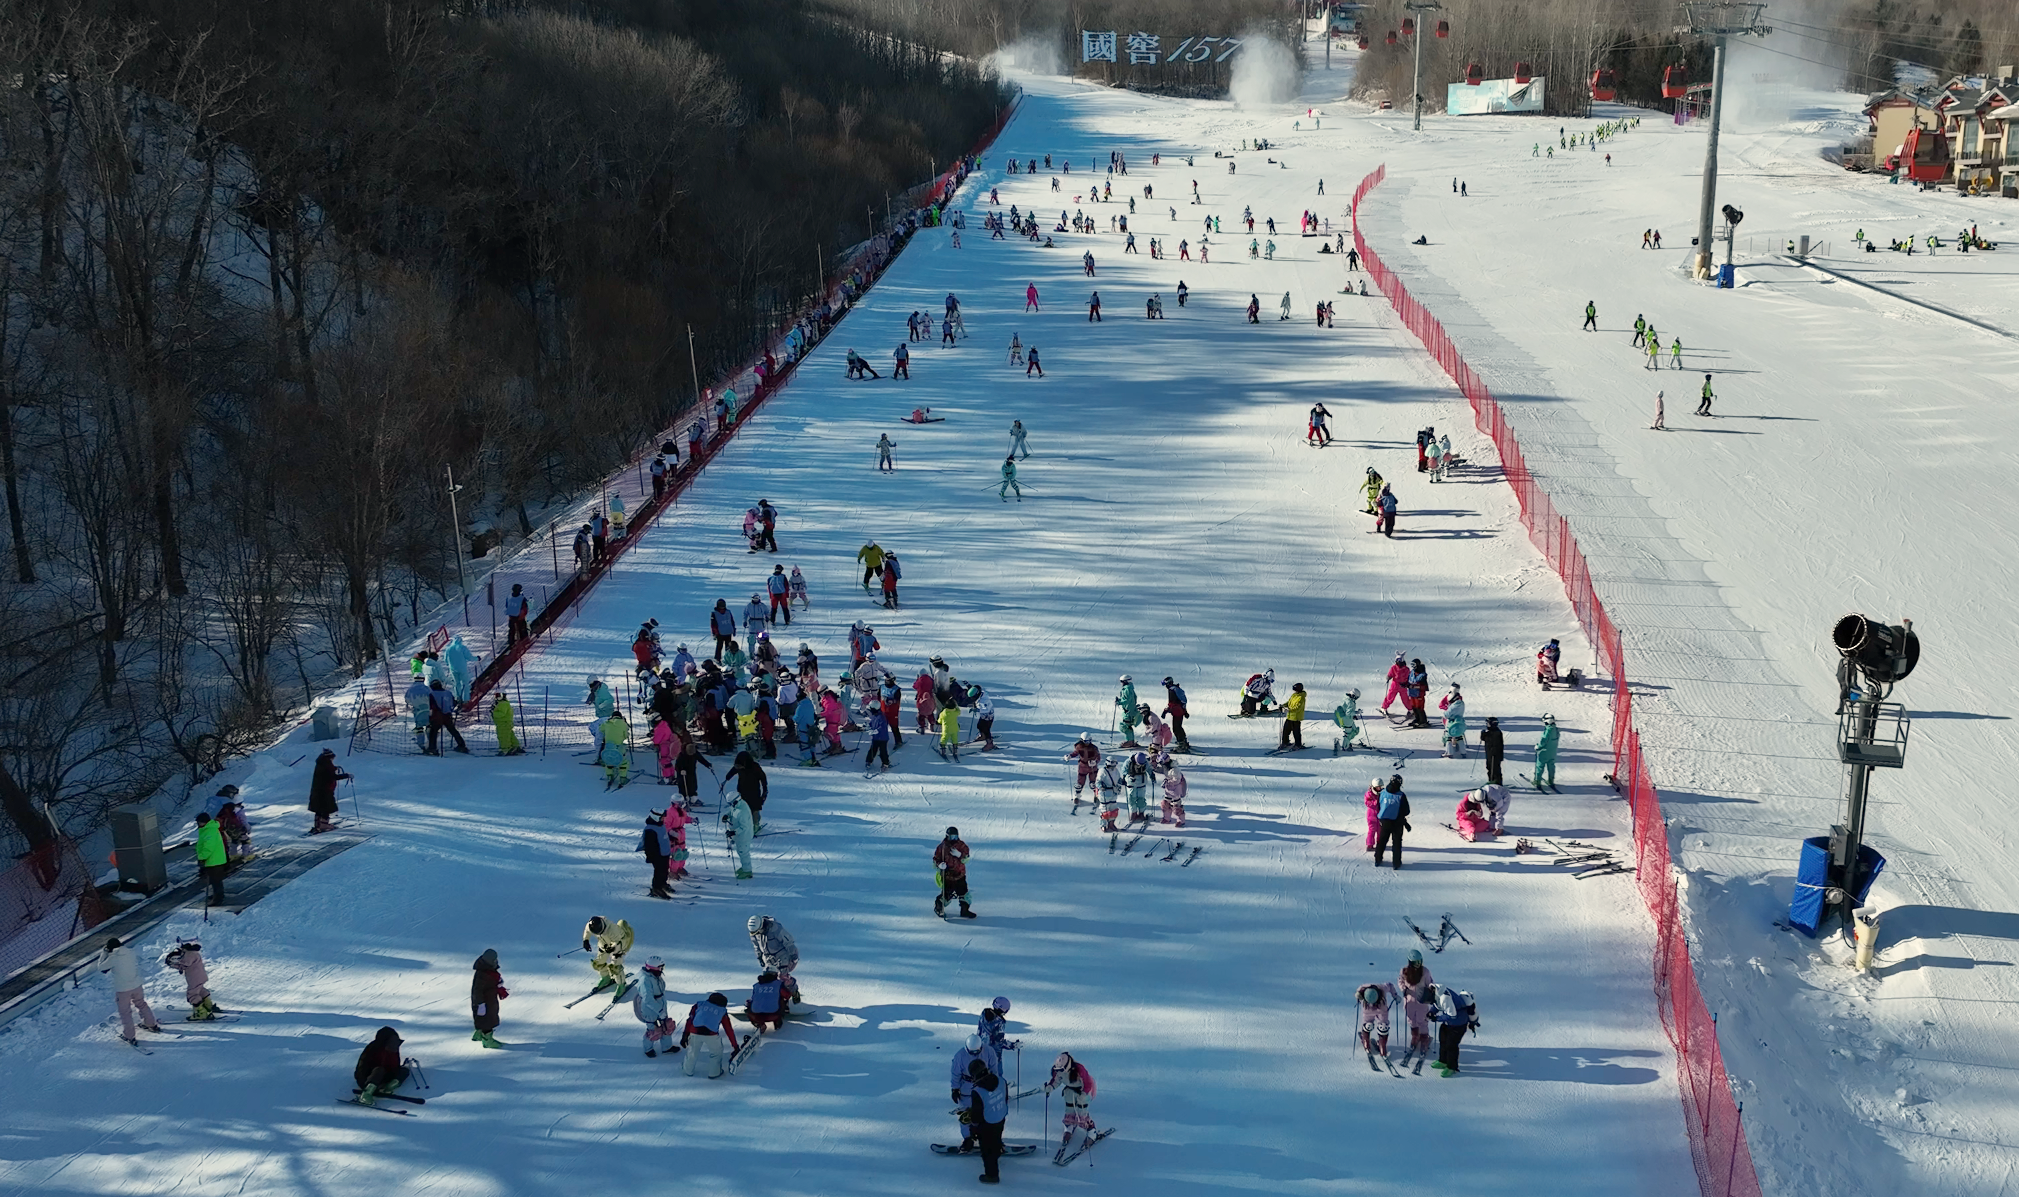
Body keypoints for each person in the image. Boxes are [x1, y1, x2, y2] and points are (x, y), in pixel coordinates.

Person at [99, 937, 162, 1044]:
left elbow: (101, 968)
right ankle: (151, 1024)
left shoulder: (113, 958)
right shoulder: (130, 952)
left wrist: (104, 953)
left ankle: (129, 1035)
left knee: (125, 1012)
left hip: (123, 989)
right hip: (137, 984)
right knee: (141, 1004)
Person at [1043, 1051, 1097, 1163]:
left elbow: (1088, 1083)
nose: (1059, 1071)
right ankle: (1069, 1127)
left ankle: (1092, 1132)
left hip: (1084, 1091)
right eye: (1058, 1069)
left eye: (1061, 1069)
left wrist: (1084, 1094)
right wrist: (1050, 1087)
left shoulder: (1079, 1069)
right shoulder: (1058, 1070)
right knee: (1069, 1109)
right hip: (1070, 1090)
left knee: (1082, 1113)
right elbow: (1056, 1081)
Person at [967, 1057, 1009, 1183]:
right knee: (997, 1137)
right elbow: (1005, 1097)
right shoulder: (1001, 1080)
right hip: (1000, 1116)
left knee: (987, 1150)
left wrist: (973, 1128)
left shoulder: (977, 1091)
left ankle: (992, 1175)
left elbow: (977, 1114)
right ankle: (998, 1149)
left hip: (987, 1123)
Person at [681, 991, 741, 1078]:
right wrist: (735, 1046)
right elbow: (728, 1029)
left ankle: (688, 1070)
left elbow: (690, 1020)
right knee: (716, 1053)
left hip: (694, 1032)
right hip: (711, 1035)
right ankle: (714, 1073)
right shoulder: (722, 1011)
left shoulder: (699, 1005)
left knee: (692, 1052)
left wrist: (685, 1035)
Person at [748, 915, 803, 1005]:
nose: (756, 934)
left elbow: (788, 942)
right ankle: (772, 1000)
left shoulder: (775, 929)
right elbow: (756, 946)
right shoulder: (754, 932)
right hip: (767, 957)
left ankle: (794, 992)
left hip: (781, 955)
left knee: (783, 977)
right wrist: (759, 957)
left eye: (757, 932)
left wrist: (793, 955)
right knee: (769, 978)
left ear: (761, 926)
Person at [1429, 983, 1479, 1076]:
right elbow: (1437, 1005)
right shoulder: (1436, 992)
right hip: (1448, 1023)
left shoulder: (1445, 998)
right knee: (1443, 1041)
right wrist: (1431, 1012)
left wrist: (1437, 1018)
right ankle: (1443, 1061)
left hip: (1458, 1024)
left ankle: (1452, 1067)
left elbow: (1452, 1016)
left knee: (1451, 1045)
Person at [354, 1026, 412, 1103]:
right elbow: (361, 1069)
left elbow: (395, 1066)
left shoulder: (394, 1049)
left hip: (384, 1078)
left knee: (404, 1070)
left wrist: (395, 1077)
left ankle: (388, 1087)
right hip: (369, 1079)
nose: (395, 1047)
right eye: (392, 1043)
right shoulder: (372, 1049)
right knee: (379, 1070)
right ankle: (366, 1094)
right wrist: (364, 1084)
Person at [1397, 950, 1435, 1065]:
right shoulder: (1404, 971)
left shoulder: (1425, 972)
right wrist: (1403, 989)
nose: (1418, 964)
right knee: (1411, 1019)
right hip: (1409, 1001)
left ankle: (1424, 1038)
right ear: (1410, 962)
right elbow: (1400, 981)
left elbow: (1430, 983)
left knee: (1422, 1020)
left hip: (1421, 1001)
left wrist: (1432, 990)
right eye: (1415, 962)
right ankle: (1415, 1036)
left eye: (1419, 961)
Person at [164, 940, 216, 1020]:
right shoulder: (194, 952)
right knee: (200, 990)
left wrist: (174, 961)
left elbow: (185, 963)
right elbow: (185, 966)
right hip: (200, 976)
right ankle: (208, 1005)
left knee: (192, 994)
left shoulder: (189, 954)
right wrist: (174, 965)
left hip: (195, 978)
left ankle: (201, 1013)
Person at [634, 957, 675, 1057]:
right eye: (660, 968)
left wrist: (662, 1009)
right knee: (652, 1029)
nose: (662, 970)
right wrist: (660, 1011)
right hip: (649, 1009)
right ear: (654, 968)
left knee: (666, 1026)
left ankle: (667, 1047)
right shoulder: (645, 980)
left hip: (660, 1004)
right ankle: (648, 1049)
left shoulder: (655, 976)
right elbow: (648, 999)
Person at [468, 947, 507, 1048]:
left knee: (485, 1018)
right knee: (487, 1020)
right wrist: (480, 1004)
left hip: (489, 999)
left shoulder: (489, 970)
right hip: (484, 1002)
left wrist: (498, 983)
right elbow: (477, 991)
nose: (496, 962)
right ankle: (487, 1040)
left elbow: (491, 980)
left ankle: (479, 1034)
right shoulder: (482, 974)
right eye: (494, 960)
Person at [583, 915, 635, 990]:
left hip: (619, 944)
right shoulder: (590, 925)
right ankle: (606, 977)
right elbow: (587, 931)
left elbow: (618, 941)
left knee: (615, 966)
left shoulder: (611, 929)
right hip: (604, 944)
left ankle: (621, 985)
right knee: (599, 962)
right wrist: (586, 940)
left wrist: (612, 947)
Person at [934, 826, 974, 918]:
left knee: (964, 894)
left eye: (955, 837)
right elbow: (936, 859)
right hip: (947, 876)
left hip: (960, 875)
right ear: (947, 836)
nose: (954, 839)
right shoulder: (942, 847)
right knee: (946, 895)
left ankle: (965, 910)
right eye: (952, 837)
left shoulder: (961, 845)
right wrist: (939, 865)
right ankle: (939, 908)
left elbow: (966, 857)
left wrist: (960, 855)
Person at [308, 749, 349, 833]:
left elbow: (326, 773)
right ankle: (324, 825)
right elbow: (332, 777)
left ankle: (317, 824)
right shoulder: (327, 765)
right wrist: (346, 775)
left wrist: (334, 768)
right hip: (325, 790)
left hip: (317, 790)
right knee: (326, 807)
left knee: (318, 807)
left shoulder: (321, 763)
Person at [1374, 774, 1409, 869]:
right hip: (1397, 822)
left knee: (1382, 841)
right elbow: (1406, 811)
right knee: (1397, 843)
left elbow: (1378, 805)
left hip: (1384, 821)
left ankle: (1378, 859)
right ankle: (1396, 863)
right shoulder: (1401, 795)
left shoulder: (1382, 793)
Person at [1357, 981, 1398, 1061]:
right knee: (1372, 1025)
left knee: (1380, 1027)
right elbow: (1390, 986)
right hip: (1373, 1010)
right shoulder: (1365, 988)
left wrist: (1395, 995)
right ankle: (1370, 1044)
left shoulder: (1381, 988)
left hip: (1377, 1010)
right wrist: (1395, 996)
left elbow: (1390, 985)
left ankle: (1377, 1046)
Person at [194, 811, 228, 906]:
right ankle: (217, 895)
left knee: (216, 880)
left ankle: (218, 898)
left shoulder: (210, 831)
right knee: (214, 880)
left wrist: (202, 857)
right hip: (213, 859)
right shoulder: (207, 829)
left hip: (214, 860)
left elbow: (208, 847)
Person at [640, 810, 674, 898]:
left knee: (665, 869)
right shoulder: (650, 830)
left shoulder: (660, 825)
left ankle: (663, 883)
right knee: (659, 871)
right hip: (657, 855)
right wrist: (651, 856)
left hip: (664, 853)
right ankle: (656, 888)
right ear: (656, 817)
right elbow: (649, 845)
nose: (663, 819)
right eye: (662, 817)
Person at [724, 790, 756, 879]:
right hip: (739, 836)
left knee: (743, 853)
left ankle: (747, 871)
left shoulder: (742, 811)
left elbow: (744, 827)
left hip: (744, 836)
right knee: (740, 852)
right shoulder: (738, 805)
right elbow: (732, 811)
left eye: (731, 803)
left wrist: (733, 832)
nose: (730, 805)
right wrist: (727, 815)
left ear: (735, 801)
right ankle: (745, 867)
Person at [1066, 732, 1101, 799]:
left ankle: (1097, 795)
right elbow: (1075, 753)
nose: (1087, 743)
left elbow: (1098, 757)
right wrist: (1070, 756)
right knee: (1080, 782)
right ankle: (1077, 795)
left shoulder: (1094, 748)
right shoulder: (1079, 747)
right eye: (1085, 741)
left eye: (1088, 741)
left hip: (1092, 767)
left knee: (1093, 783)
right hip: (1083, 767)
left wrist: (1095, 762)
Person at [1162, 676, 1191, 752]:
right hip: (1179, 711)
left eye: (1165, 684)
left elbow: (1172, 703)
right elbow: (1181, 702)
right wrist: (1185, 711)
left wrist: (1165, 711)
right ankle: (1183, 741)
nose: (1165, 686)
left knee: (1176, 728)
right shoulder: (1176, 689)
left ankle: (1181, 745)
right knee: (1179, 727)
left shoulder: (1172, 690)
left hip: (1177, 712)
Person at [1533, 713, 1560, 789]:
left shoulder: (1548, 730)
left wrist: (1537, 746)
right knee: (1551, 766)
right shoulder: (1556, 730)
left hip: (1544, 752)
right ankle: (1551, 780)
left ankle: (1537, 781)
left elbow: (1543, 741)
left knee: (1540, 766)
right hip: (1553, 752)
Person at [1439, 685, 1466, 757]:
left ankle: (1449, 753)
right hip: (1460, 722)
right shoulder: (1461, 703)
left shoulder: (1453, 706)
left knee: (1449, 737)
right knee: (1459, 736)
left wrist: (1444, 713)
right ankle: (1463, 752)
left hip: (1452, 724)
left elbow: (1446, 714)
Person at [1278, 682, 1307, 749]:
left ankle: (1298, 744)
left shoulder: (1301, 697)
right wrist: (1283, 705)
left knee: (1296, 732)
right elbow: (1289, 702)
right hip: (1290, 716)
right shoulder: (1294, 695)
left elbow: (1298, 708)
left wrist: (1289, 710)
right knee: (1285, 730)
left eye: (1296, 690)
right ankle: (1285, 742)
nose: (1295, 691)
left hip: (1296, 717)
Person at [1160, 755, 1187, 825]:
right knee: (1165, 804)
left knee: (1176, 807)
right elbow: (1161, 770)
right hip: (1168, 790)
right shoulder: (1166, 767)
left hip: (1176, 791)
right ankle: (1166, 818)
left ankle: (1181, 821)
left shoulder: (1175, 770)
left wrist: (1167, 782)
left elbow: (1177, 780)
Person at [1481, 715, 1505, 784]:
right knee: (1489, 767)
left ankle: (1497, 782)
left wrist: (1486, 734)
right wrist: (1483, 734)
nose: (1487, 725)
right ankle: (1491, 781)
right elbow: (1483, 739)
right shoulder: (1490, 731)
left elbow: (1493, 741)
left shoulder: (1496, 732)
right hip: (1489, 753)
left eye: (1488, 723)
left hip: (1495, 754)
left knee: (1495, 769)